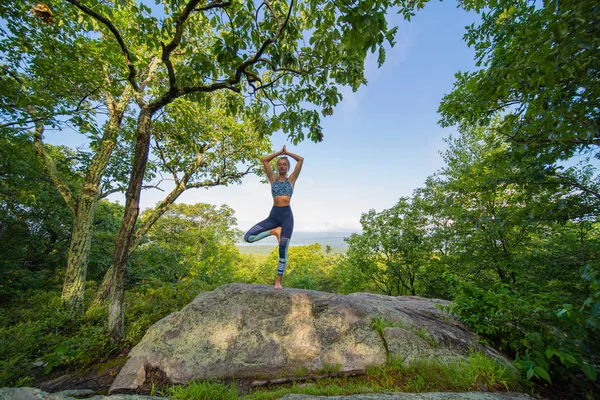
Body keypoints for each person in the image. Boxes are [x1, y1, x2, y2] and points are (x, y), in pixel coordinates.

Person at [244, 145, 304, 289]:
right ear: (277, 167)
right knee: (248, 237)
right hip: (273, 216)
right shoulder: (272, 179)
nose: (282, 166)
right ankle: (274, 231)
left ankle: (278, 281)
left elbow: (301, 160)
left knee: (283, 249)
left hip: (287, 216)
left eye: (284, 165)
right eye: (279, 164)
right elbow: (264, 160)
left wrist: (287, 153)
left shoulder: (291, 180)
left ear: (288, 168)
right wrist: (279, 153)